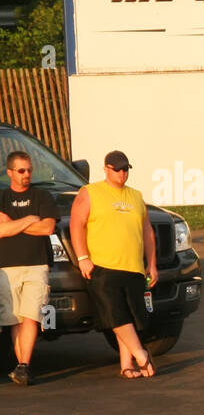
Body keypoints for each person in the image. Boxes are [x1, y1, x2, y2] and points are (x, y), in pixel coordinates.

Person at [68, 151, 158, 379]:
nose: (122, 173)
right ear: (106, 169)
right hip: (102, 266)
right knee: (115, 316)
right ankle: (141, 354)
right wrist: (82, 258)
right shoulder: (90, 192)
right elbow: (76, 225)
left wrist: (152, 264)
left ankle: (126, 365)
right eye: (117, 169)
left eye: (126, 169)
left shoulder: (136, 196)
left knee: (128, 317)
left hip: (133, 266)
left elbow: (147, 231)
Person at [0, 150, 58, 385]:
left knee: (31, 316)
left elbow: (47, 228)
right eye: (21, 171)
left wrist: (12, 224)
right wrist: (29, 220)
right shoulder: (2, 198)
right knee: (15, 319)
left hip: (37, 264)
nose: (26, 175)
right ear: (10, 172)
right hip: (7, 266)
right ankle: (19, 364)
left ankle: (24, 364)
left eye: (29, 170)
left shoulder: (42, 196)